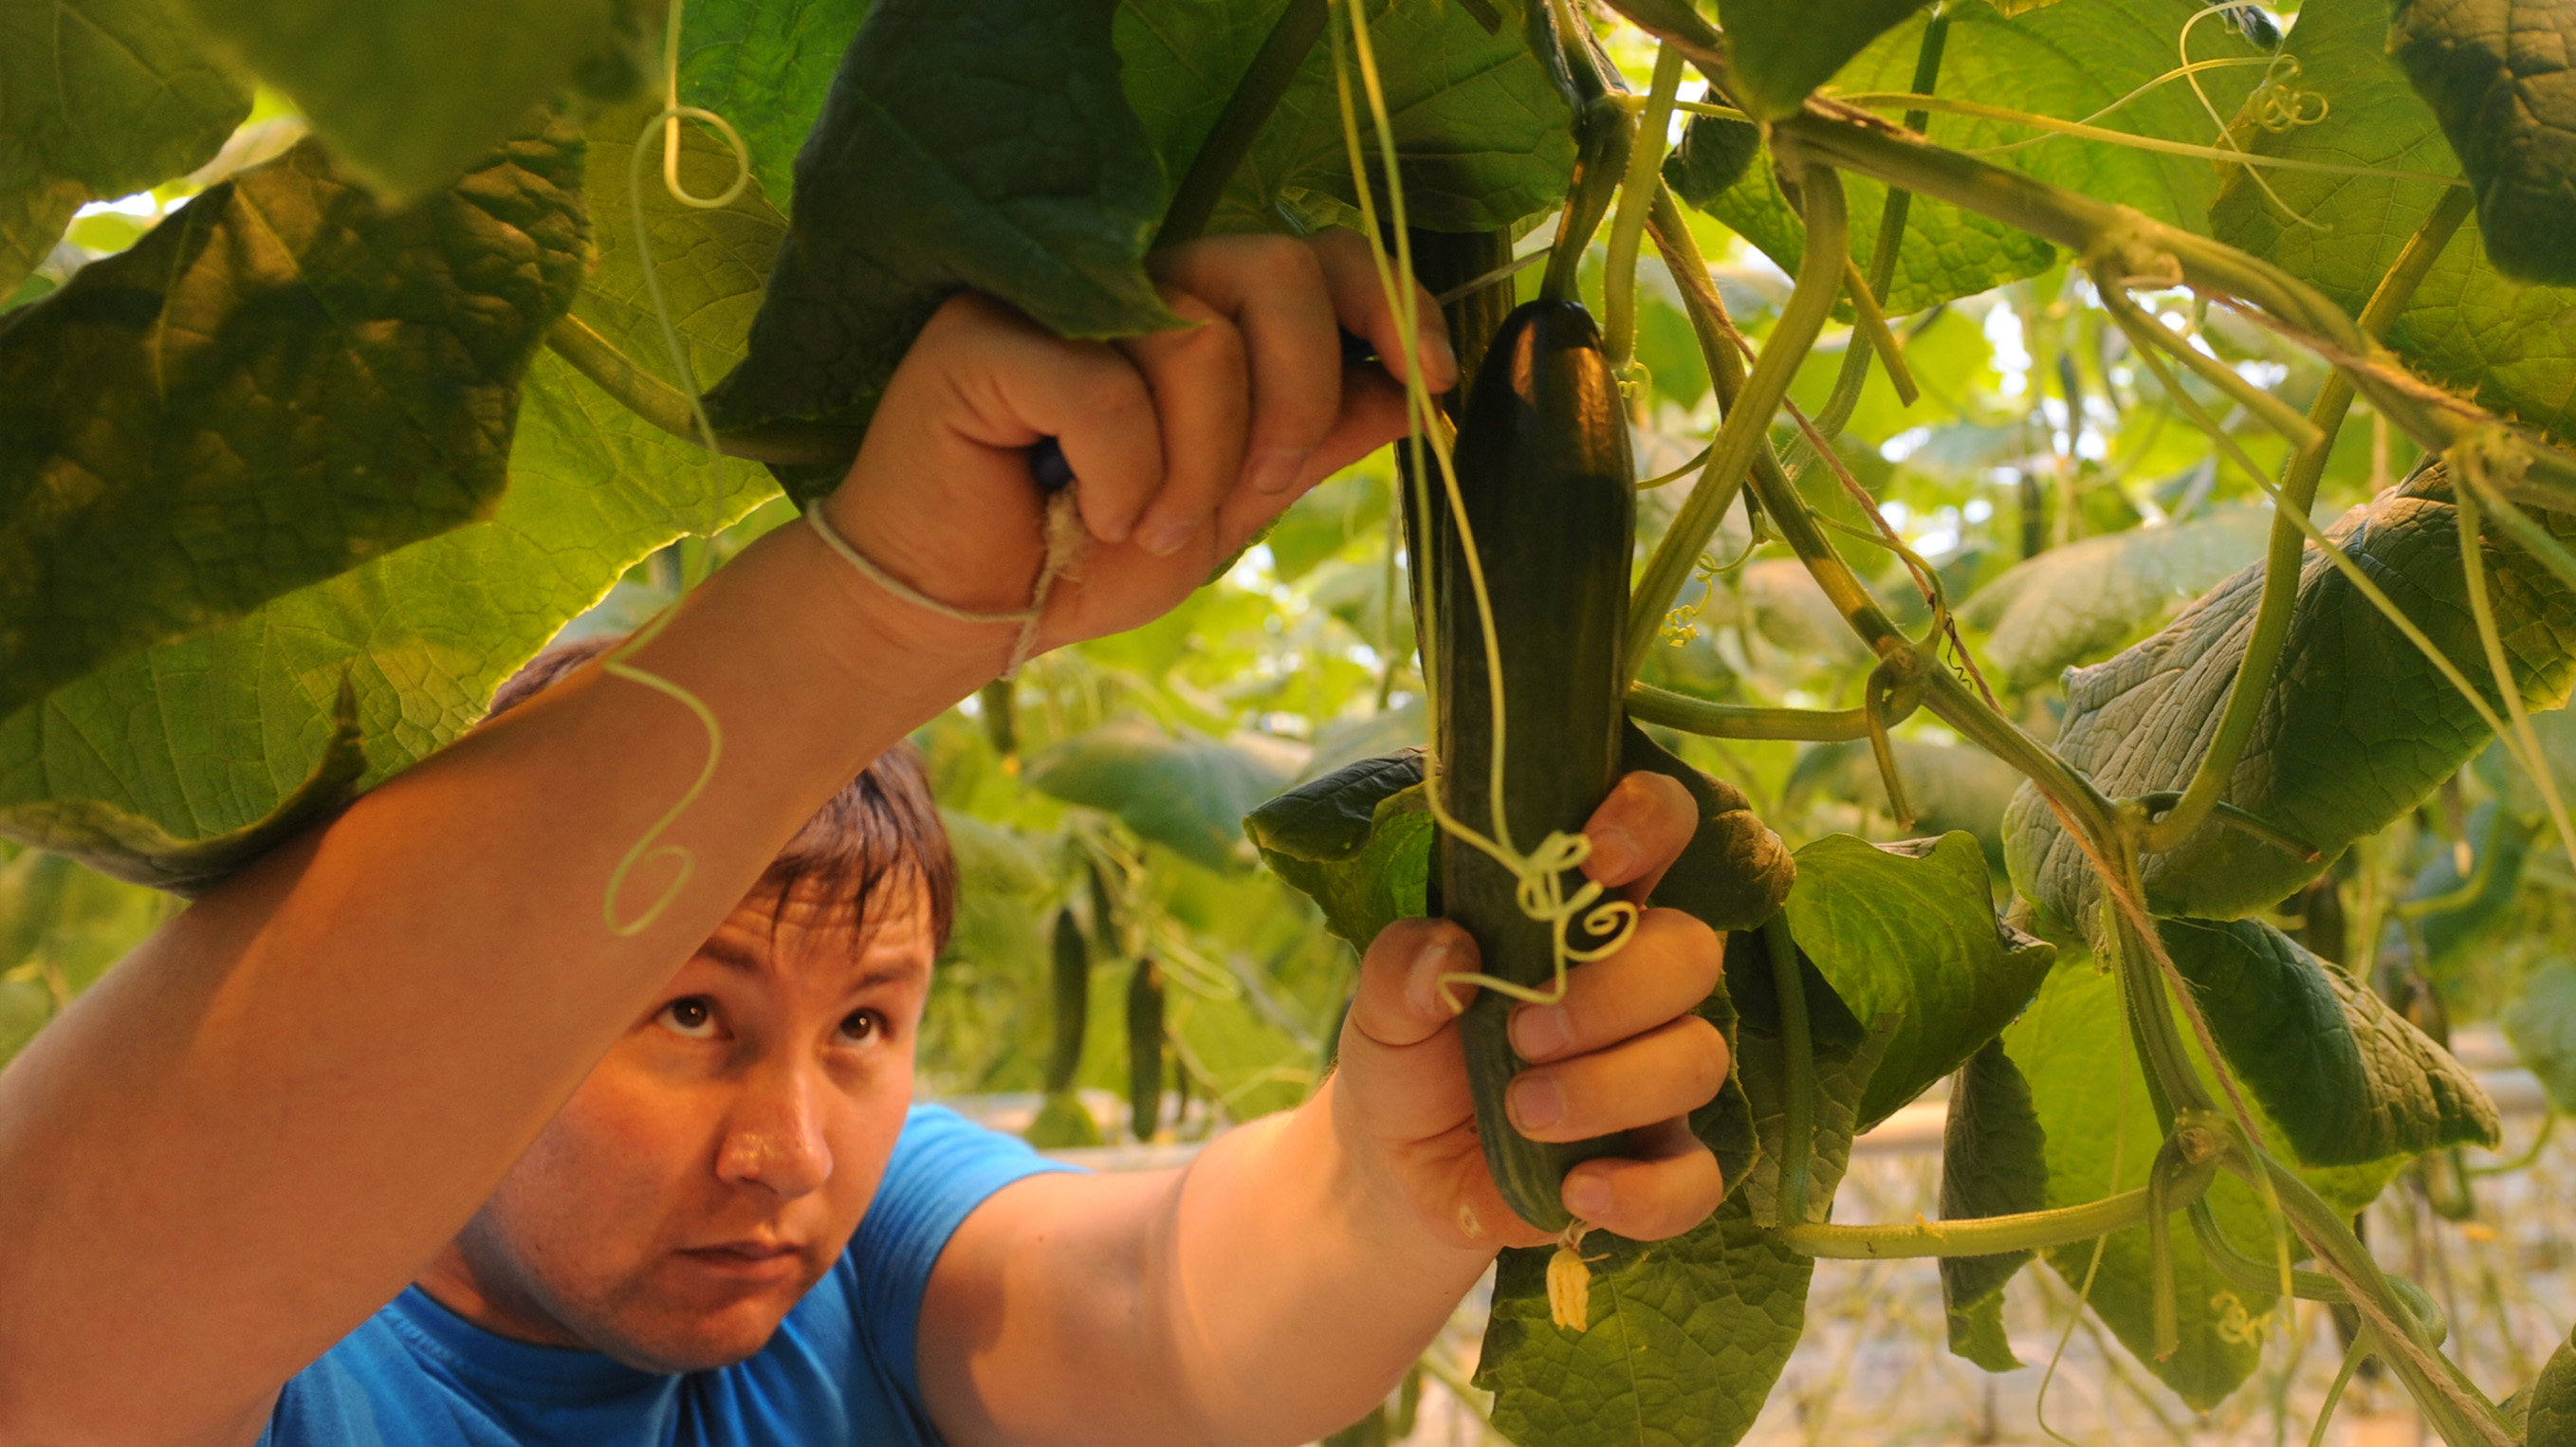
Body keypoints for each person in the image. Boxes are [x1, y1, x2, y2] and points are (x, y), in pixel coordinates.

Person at [0, 232, 1732, 1447]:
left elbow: (1167, 1316)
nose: (790, 1148)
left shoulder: (869, 1247)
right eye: (690, 1012)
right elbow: (43, 1344)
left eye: (863, 1027)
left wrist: (1383, 1182)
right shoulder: (285, 1356)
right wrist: (874, 615)